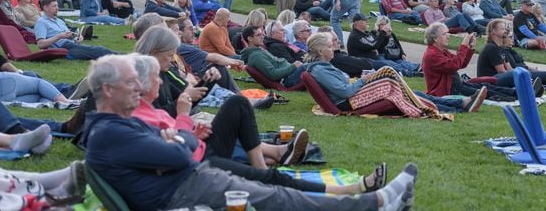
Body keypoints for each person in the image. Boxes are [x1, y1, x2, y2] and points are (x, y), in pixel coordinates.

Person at [84, 56, 416, 211]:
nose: (139, 88)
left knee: (278, 194)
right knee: (278, 197)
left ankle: (371, 200)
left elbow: (170, 151)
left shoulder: (117, 126)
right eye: (132, 83)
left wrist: (175, 141)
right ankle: (374, 202)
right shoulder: (111, 131)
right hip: (184, 188)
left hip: (190, 178)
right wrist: (181, 133)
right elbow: (175, 153)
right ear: (109, 90)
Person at [305, 32, 478, 115]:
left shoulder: (324, 67)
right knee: (391, 78)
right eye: (329, 46)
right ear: (320, 51)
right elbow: (344, 92)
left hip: (353, 97)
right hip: (350, 101)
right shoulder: (320, 70)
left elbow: (457, 64)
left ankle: (460, 104)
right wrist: (363, 81)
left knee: (411, 93)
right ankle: (459, 105)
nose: (333, 48)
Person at [477, 19, 546, 88]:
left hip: (500, 77)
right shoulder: (492, 48)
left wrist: (523, 72)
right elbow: (502, 72)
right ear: (494, 32)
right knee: (544, 76)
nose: (505, 31)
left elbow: (508, 69)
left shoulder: (500, 48)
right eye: (502, 29)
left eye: (505, 28)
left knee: (543, 75)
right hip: (491, 81)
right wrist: (523, 74)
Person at [35, 0, 119, 60]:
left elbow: (68, 35)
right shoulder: (41, 22)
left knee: (97, 50)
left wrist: (77, 39)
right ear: (45, 8)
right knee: (99, 50)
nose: (57, 8)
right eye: (54, 6)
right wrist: (59, 36)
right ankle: (126, 57)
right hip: (64, 48)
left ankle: (125, 57)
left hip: (71, 45)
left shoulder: (59, 21)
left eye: (57, 6)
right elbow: (41, 44)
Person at [240, 26, 305, 87]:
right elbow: (273, 74)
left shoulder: (259, 51)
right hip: (287, 79)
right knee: (310, 66)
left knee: (311, 66)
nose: (262, 37)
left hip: (290, 74)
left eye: (263, 34)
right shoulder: (256, 56)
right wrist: (294, 66)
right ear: (250, 38)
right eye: (259, 35)